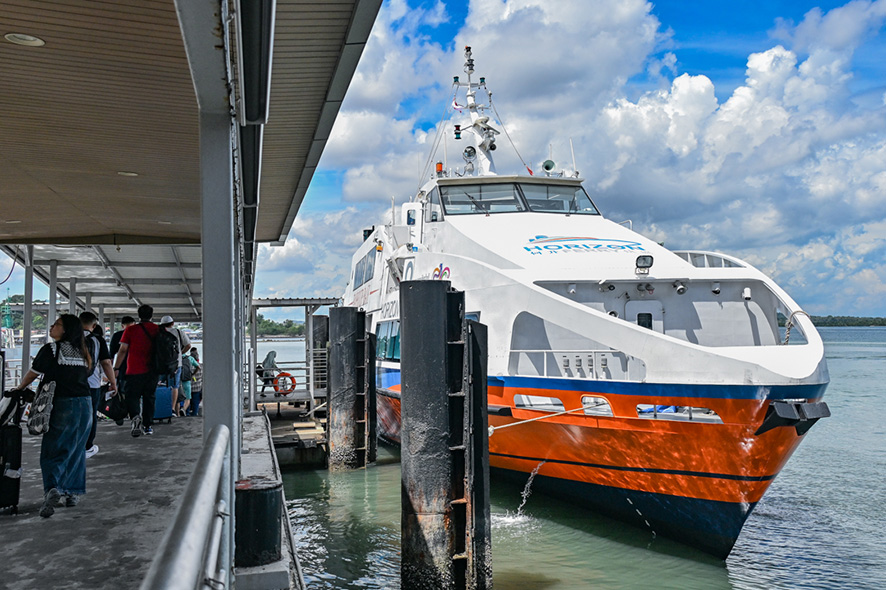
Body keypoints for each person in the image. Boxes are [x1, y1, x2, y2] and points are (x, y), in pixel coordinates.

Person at [15, 314, 93, 517]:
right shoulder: (84, 351)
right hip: (85, 404)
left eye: (56, 324)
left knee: (53, 448)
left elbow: (33, 373)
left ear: (65, 330)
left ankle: (53, 487)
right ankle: (71, 493)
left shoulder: (51, 349)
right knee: (76, 448)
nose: (51, 327)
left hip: (61, 404)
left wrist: (20, 387)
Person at [113, 305, 159, 437]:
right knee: (149, 397)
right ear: (151, 315)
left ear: (139, 315)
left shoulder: (130, 330)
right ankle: (148, 425)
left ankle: (135, 417)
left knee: (132, 396)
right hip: (152, 370)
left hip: (134, 370)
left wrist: (116, 368)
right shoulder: (157, 329)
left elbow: (122, 350)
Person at [79, 312, 117, 458]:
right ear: (94, 326)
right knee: (90, 415)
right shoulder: (97, 340)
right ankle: (87, 446)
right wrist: (113, 382)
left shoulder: (69, 338)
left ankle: (71, 444)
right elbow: (106, 363)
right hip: (92, 383)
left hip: (70, 384)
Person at [158, 316, 191, 416]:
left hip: (160, 364)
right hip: (176, 364)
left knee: (159, 385)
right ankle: (172, 409)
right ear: (172, 323)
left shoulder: (158, 333)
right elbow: (188, 345)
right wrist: (180, 353)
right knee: (175, 386)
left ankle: (159, 407)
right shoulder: (179, 332)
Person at [187, 349, 202, 416]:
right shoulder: (201, 366)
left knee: (188, 401)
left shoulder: (188, 366)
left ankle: (186, 413)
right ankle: (194, 414)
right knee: (196, 403)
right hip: (197, 388)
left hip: (189, 387)